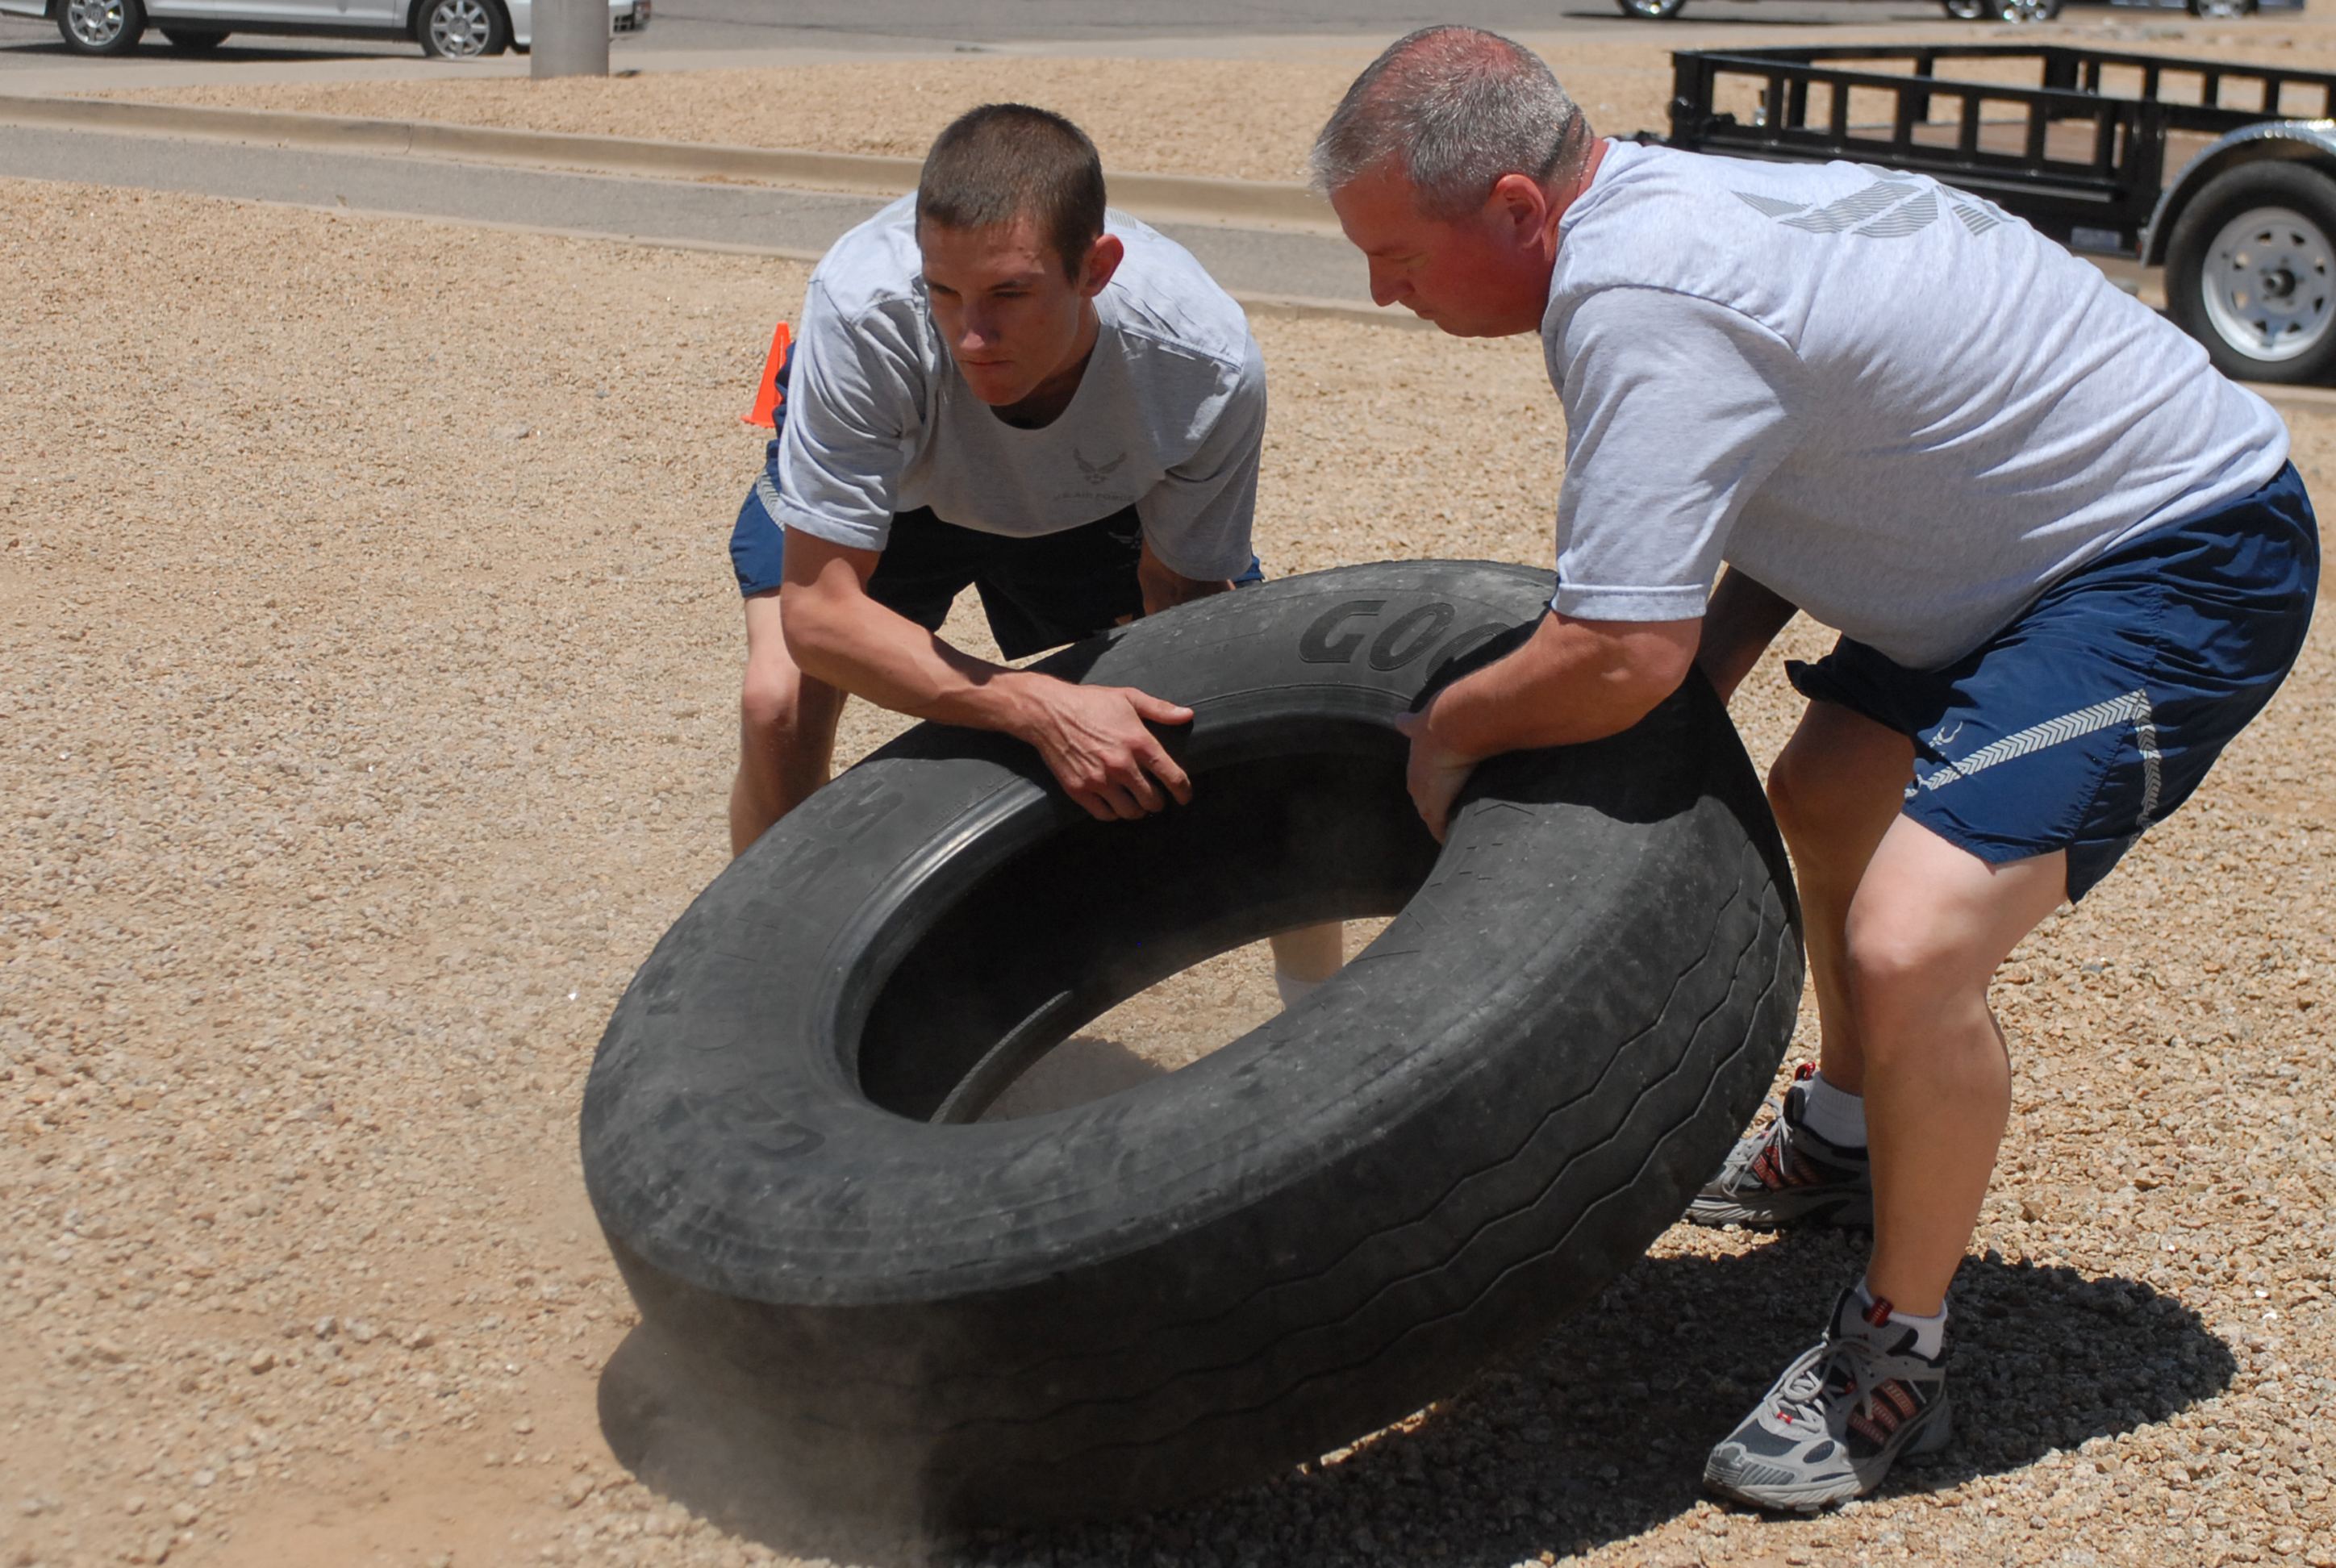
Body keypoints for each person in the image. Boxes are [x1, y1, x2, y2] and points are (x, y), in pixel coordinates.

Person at [1312, 27, 2314, 1511]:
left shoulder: (1639, 296)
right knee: (1824, 799)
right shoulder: (1671, 198)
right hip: (2002, 538)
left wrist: (1451, 730)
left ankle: (1895, 1353)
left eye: (1396, 256)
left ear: (1518, 208)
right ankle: (1845, 1133)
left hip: (2171, 554)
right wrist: (1698, 671)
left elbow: (1614, 651)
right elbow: (1784, 469)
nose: (1381, 294)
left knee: (1912, 943)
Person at [728, 102, 1341, 1006]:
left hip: (1088, 495)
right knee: (778, 704)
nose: (970, 335)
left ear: (1096, 269)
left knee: (1256, 729)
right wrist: (1035, 707)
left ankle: (1326, 1018)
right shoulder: (864, 308)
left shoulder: (1198, 362)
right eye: (944, 292)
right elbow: (820, 619)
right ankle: (766, 1010)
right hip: (903, 492)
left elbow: (1183, 595)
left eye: (1009, 295)